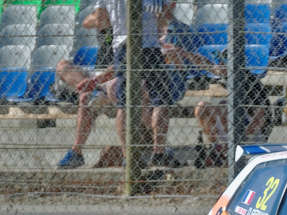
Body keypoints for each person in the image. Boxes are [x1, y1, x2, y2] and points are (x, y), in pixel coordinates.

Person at [57, 0, 177, 169]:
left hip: (123, 46)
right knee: (158, 101)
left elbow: (99, 19)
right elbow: (164, 13)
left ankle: (130, 156)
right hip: (146, 45)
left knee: (124, 102)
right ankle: (159, 152)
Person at [188, 50, 271, 166]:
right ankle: (216, 148)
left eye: (223, 62)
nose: (219, 65)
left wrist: (237, 140)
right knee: (203, 107)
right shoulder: (226, 76)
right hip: (230, 131)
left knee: (224, 105)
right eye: (220, 62)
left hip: (251, 134)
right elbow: (207, 64)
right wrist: (186, 53)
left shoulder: (250, 83)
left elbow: (260, 118)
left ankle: (230, 152)